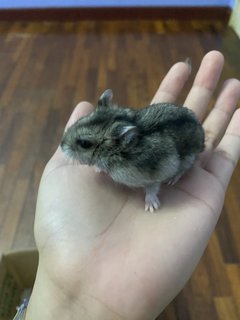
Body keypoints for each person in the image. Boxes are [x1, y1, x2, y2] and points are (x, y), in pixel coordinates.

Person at [26, 51, 240, 320]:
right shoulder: (113, 153)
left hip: (187, 146)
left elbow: (156, 172)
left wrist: (151, 193)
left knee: (173, 164)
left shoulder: (131, 165)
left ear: (120, 145)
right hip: (168, 128)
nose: (69, 149)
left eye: (84, 145)